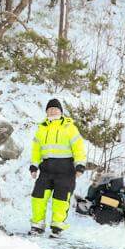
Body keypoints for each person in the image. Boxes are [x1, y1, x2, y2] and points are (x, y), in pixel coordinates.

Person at [29, 99, 87, 238]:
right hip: (46, 169)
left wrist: (80, 165)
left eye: (55, 109)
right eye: (50, 109)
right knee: (38, 197)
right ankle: (37, 225)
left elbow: (78, 147)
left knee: (60, 199)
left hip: (65, 170)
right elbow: (36, 150)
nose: (52, 111)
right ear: (46, 112)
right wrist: (34, 165)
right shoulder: (42, 128)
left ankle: (57, 227)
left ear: (61, 111)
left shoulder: (69, 127)